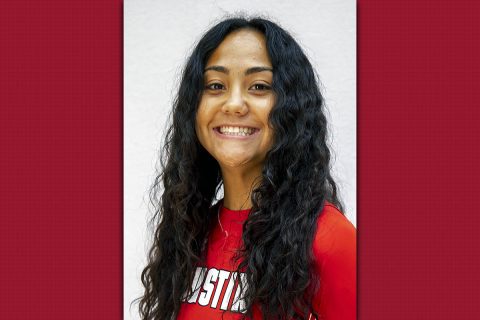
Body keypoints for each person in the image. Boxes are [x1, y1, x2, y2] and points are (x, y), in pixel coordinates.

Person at [138, 16, 356, 320]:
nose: (235, 104)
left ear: (291, 107)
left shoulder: (329, 239)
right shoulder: (190, 234)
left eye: (258, 86)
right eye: (216, 85)